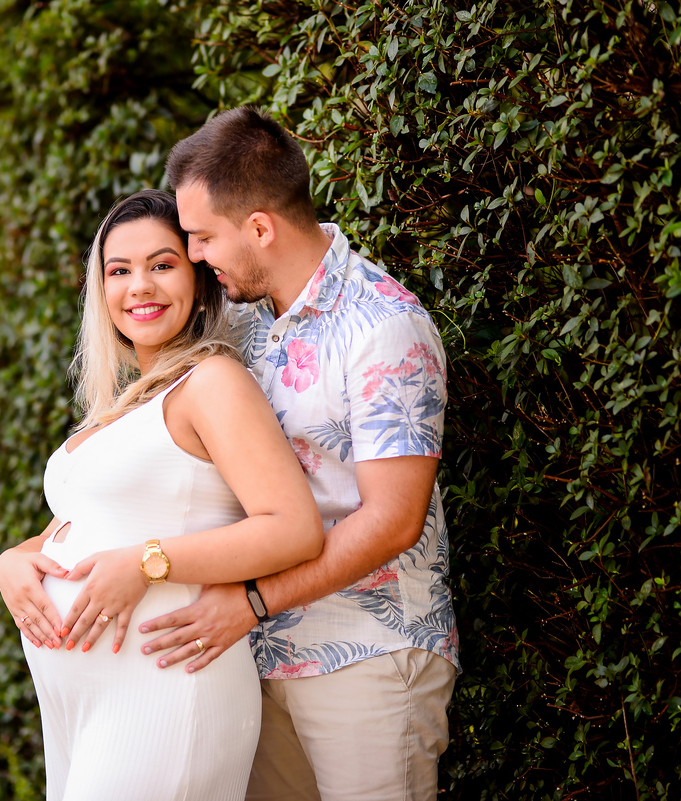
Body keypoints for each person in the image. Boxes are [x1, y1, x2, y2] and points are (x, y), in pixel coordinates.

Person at [133, 107, 460, 801]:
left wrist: (252, 600)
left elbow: (394, 519)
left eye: (201, 236)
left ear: (259, 227)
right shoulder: (240, 327)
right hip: (257, 661)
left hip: (369, 655)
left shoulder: (383, 325)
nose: (193, 256)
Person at [0, 189, 324, 801]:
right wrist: (13, 559)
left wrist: (148, 564)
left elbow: (293, 527)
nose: (139, 285)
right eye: (119, 271)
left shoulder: (212, 382)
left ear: (199, 279)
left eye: (162, 264)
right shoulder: (124, 405)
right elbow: (87, 521)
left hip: (168, 697)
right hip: (84, 710)